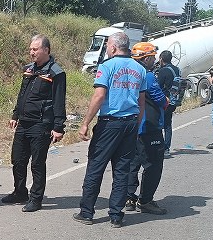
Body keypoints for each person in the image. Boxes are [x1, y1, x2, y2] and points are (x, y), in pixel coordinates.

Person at [73, 32, 146, 228]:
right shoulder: (140, 69)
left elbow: (99, 96)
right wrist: (137, 125)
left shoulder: (107, 66)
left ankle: (87, 212)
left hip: (110, 123)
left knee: (96, 166)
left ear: (113, 47)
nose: (106, 49)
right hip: (130, 123)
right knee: (122, 170)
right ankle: (116, 215)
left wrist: (85, 122)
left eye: (107, 46)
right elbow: (141, 101)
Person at [2, 34, 66, 212]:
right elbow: (22, 94)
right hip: (24, 123)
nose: (31, 52)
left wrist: (58, 127)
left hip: (41, 124)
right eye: (30, 49)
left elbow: (59, 101)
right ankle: (19, 192)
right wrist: (15, 114)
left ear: (46, 50)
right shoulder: (28, 69)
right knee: (17, 160)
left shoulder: (56, 72)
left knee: (37, 163)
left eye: (35, 49)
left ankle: (36, 198)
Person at [126, 42, 168, 215]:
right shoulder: (148, 75)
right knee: (153, 164)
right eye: (153, 57)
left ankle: (129, 198)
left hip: (131, 125)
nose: (155, 60)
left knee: (133, 163)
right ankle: (146, 200)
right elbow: (160, 99)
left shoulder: (128, 72)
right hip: (148, 126)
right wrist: (167, 101)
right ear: (147, 58)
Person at [156, 50, 180, 157]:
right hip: (174, 100)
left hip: (165, 100)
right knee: (168, 125)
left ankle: (160, 147)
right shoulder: (177, 69)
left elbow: (158, 86)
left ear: (161, 59)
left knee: (159, 124)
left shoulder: (163, 71)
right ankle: (166, 148)